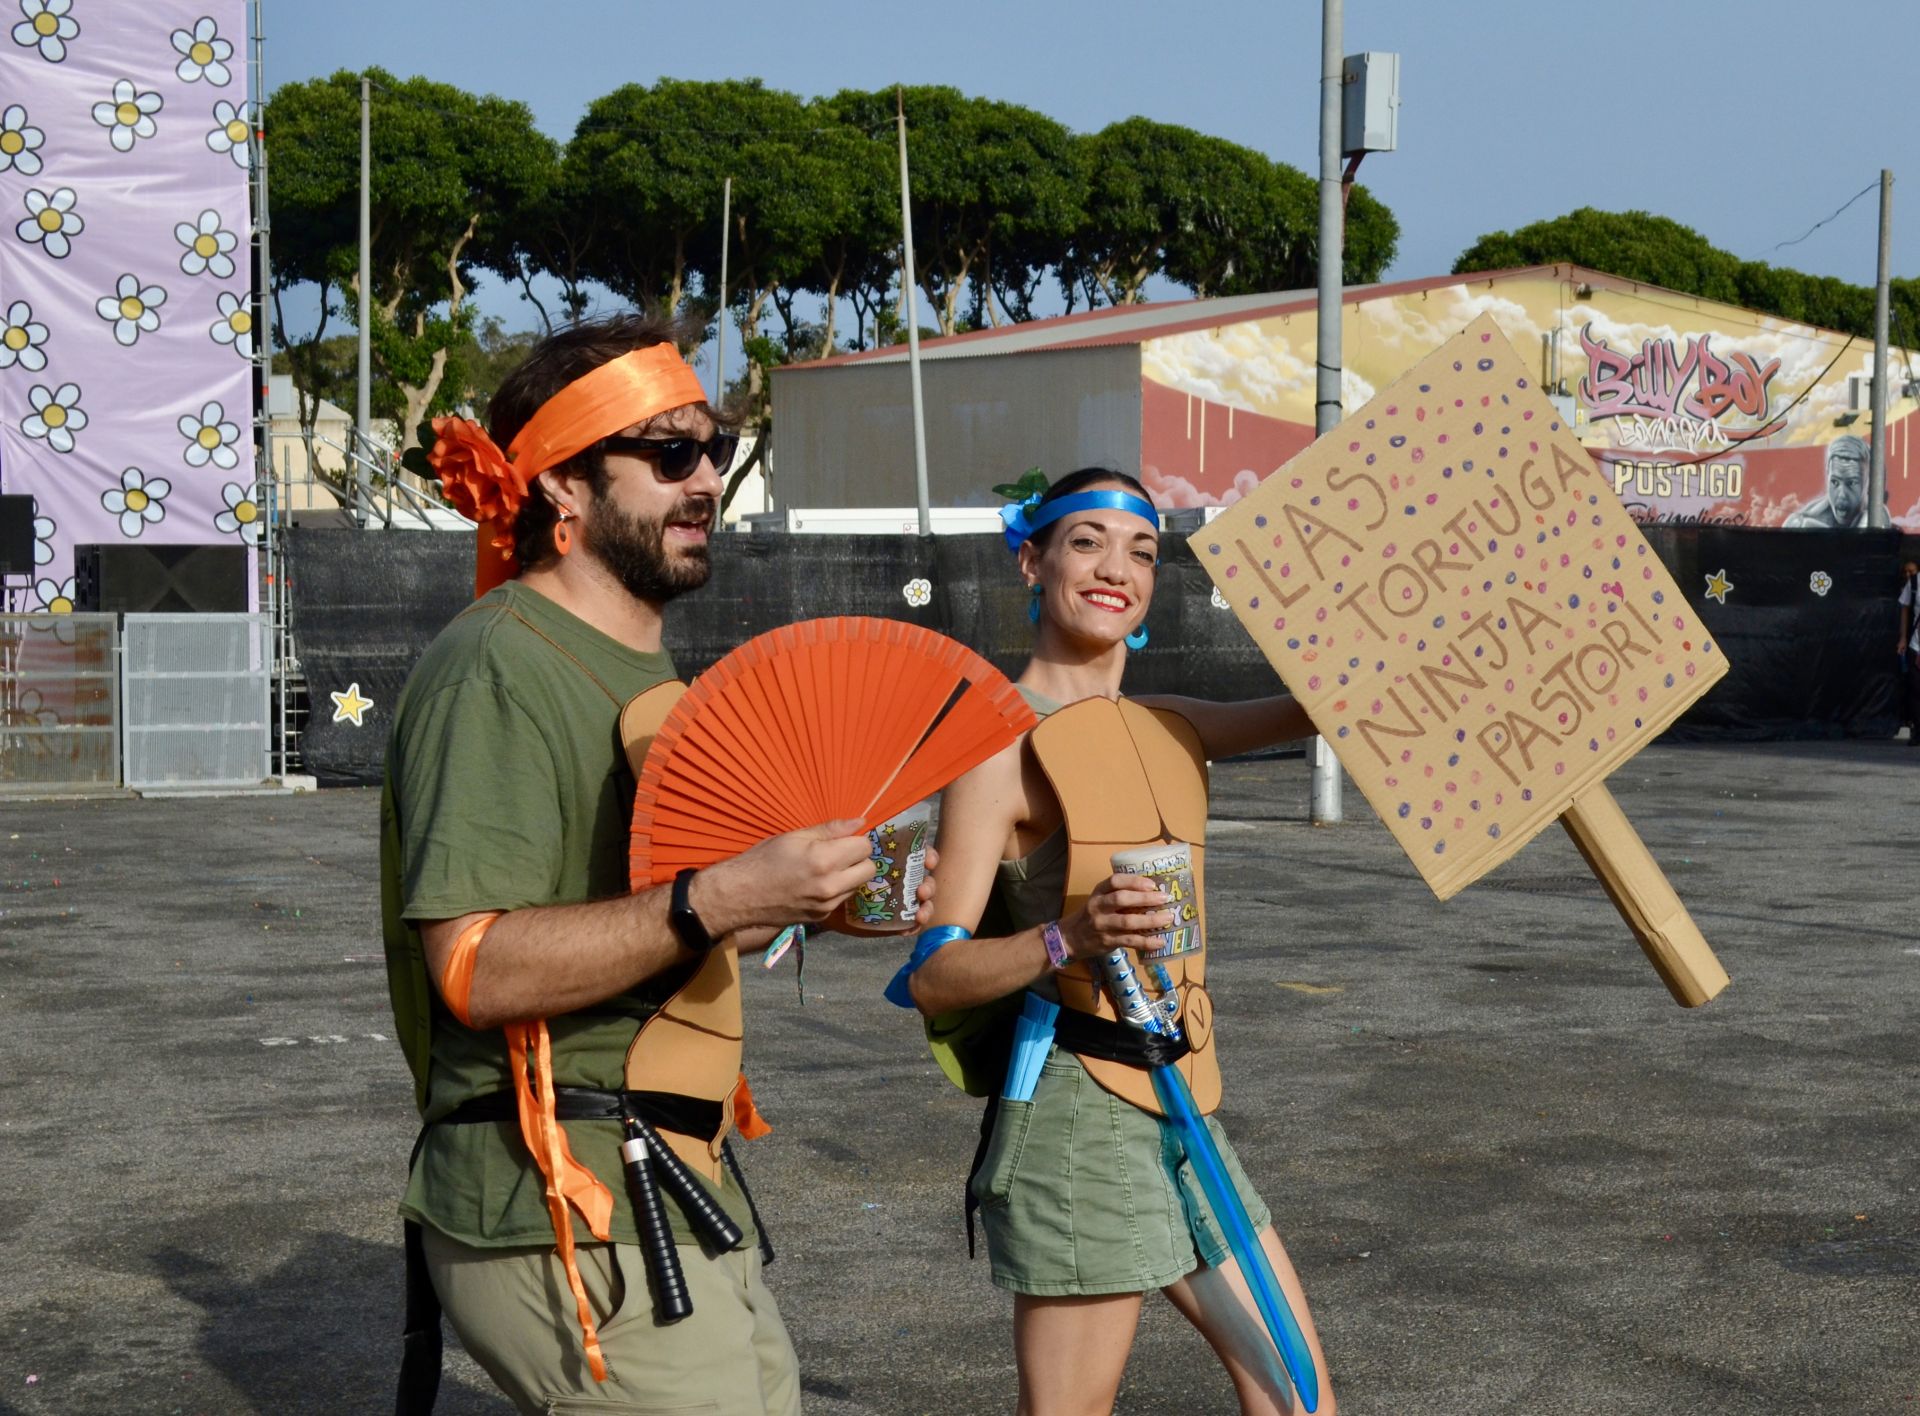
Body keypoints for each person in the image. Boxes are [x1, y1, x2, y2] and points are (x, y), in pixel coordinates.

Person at [381, 312, 931, 1415]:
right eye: (669, 453)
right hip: (560, 1201)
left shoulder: (643, 665)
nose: (706, 482)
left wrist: (827, 892)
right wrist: (726, 893)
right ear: (562, 489)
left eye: (714, 450)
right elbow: (475, 966)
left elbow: (675, 910)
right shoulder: (500, 664)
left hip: (676, 1186)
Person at [895, 468, 1337, 1416]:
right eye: (1087, 540)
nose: (1117, 568)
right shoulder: (995, 747)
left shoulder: (1168, 727)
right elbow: (935, 976)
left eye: (1141, 551)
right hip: (1077, 1114)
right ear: (1032, 559)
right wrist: (1068, 937)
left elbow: (1325, 702)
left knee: (1297, 1398)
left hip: (1182, 1098)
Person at [1784, 435, 1889, 529]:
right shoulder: (1803, 521)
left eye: (1851, 483)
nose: (1842, 495)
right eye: (1834, 482)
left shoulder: (1876, 516)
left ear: (1868, 482)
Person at [1898, 560, 1919, 742]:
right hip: (1915, 644)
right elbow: (1904, 609)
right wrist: (1903, 637)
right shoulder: (1914, 583)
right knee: (1915, 689)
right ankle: (1918, 730)